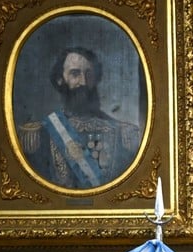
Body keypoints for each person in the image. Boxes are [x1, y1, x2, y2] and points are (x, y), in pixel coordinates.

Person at [17, 46, 142, 189]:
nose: (83, 82)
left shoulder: (124, 134)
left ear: (96, 79)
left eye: (88, 74)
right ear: (60, 79)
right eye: (75, 74)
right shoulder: (38, 134)